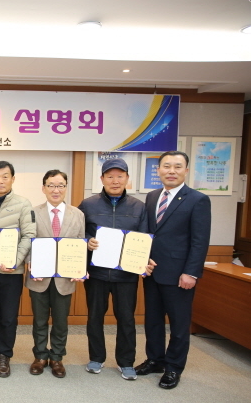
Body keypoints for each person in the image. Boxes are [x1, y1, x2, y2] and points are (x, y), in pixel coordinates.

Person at [136, 151, 211, 389]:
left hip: (180, 274)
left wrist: (191, 272)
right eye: (166, 166)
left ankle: (173, 368)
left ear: (186, 170)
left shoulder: (197, 200)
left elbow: (200, 241)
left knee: (179, 324)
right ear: (158, 170)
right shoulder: (152, 196)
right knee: (153, 320)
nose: (171, 171)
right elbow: (148, 234)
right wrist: (142, 259)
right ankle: (155, 360)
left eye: (177, 166)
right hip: (152, 271)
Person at [78, 157, 147, 380]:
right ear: (102, 179)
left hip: (126, 274)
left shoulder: (139, 207)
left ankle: (126, 362)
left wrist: (143, 259)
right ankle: (96, 358)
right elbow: (77, 233)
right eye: (110, 176)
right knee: (94, 317)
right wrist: (87, 241)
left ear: (127, 179)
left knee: (126, 319)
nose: (115, 181)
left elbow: (145, 238)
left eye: (120, 176)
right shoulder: (88, 204)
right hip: (96, 273)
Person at [0, 161, 36, 378]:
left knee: (9, 316)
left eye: (5, 176)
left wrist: (15, 261)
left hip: (12, 272)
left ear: (13, 179)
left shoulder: (23, 204)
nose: (0, 181)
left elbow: (29, 235)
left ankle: (5, 354)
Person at [25, 170, 85, 378]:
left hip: (65, 278)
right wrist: (29, 262)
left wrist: (79, 267)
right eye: (51, 185)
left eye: (60, 185)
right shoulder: (32, 212)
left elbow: (80, 244)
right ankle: (40, 356)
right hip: (38, 277)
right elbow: (26, 241)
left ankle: (57, 357)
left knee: (60, 321)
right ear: (43, 188)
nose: (56, 190)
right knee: (39, 320)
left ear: (66, 188)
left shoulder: (77, 214)